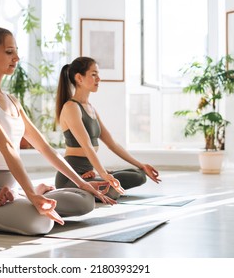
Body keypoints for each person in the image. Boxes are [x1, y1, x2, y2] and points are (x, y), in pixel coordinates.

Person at [0, 27, 116, 236]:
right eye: (9, 52)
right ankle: (28, 197)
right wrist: (32, 195)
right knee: (41, 223)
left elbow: (44, 147)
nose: (16, 58)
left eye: (16, 51)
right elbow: (7, 147)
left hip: (13, 190)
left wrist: (83, 183)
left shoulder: (12, 101)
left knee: (85, 200)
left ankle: (22, 197)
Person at [55, 56, 161, 199]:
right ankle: (99, 186)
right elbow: (86, 145)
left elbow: (113, 144)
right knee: (112, 188)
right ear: (79, 78)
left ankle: (100, 184)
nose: (99, 79)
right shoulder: (71, 107)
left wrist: (142, 165)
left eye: (98, 74)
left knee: (139, 175)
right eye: (93, 74)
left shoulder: (90, 108)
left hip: (89, 173)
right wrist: (103, 173)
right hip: (71, 177)